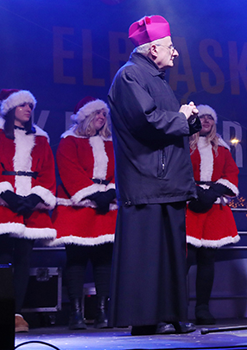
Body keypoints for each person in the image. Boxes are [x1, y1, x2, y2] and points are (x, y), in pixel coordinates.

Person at [107, 15, 202, 336]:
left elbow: (163, 120)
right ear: (152, 50)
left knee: (172, 254)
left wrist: (187, 119)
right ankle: (146, 317)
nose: (175, 53)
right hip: (146, 179)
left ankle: (172, 313)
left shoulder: (154, 77)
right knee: (146, 255)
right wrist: (181, 116)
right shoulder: (130, 76)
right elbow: (146, 122)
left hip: (166, 180)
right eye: (170, 47)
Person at [51, 97, 117, 330]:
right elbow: (69, 170)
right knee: (76, 260)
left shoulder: (111, 142)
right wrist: (92, 194)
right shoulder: (69, 140)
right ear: (85, 116)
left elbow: (118, 171)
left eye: (103, 113)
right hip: (76, 206)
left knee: (103, 261)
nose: (101, 117)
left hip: (105, 207)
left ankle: (102, 311)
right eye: (97, 113)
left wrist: (109, 192)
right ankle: (76, 313)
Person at [0, 89, 57, 333]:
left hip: (30, 205)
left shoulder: (41, 138)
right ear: (10, 108)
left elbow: (47, 172)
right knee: (2, 259)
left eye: (30, 106)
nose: (28, 109)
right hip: (4, 202)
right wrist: (7, 194)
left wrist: (34, 197)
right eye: (22, 105)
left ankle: (15, 313)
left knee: (23, 261)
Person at [185, 104, 240, 325]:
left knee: (208, 259)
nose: (206, 121)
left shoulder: (223, 149)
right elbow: (178, 172)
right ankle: (177, 308)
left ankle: (202, 308)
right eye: (202, 118)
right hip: (189, 206)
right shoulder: (183, 146)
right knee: (184, 259)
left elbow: (231, 174)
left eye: (210, 118)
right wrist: (194, 192)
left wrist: (214, 191)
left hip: (213, 207)